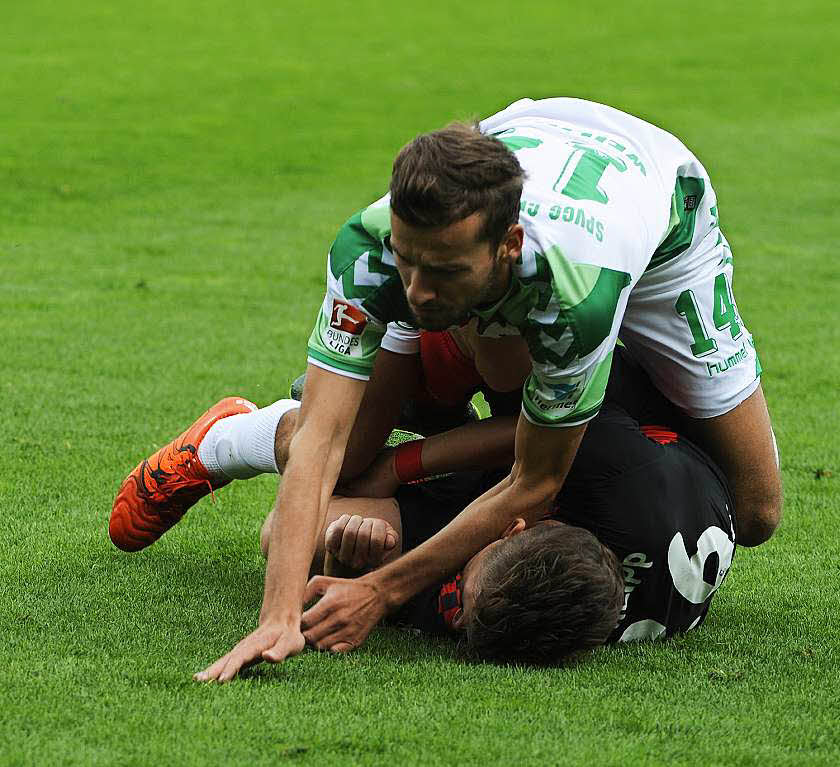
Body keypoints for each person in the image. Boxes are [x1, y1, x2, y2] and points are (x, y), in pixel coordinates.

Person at [111, 97, 780, 681]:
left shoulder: (578, 297)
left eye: (445, 271)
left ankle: (442, 393)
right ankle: (223, 440)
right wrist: (277, 616)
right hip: (526, 139)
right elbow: (322, 435)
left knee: (755, 513)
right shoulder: (369, 249)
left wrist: (379, 588)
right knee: (344, 447)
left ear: (509, 244)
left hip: (660, 212)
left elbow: (536, 481)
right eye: (408, 261)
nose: (417, 291)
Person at [297, 347, 737, 663]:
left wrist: (349, 566)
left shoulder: (517, 616)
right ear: (519, 526)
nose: (449, 574)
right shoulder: (623, 480)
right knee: (513, 350)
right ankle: (421, 393)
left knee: (306, 533)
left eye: (460, 596)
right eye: (465, 566)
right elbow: (528, 435)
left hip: (575, 500)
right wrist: (396, 466)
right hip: (628, 418)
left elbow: (444, 603)